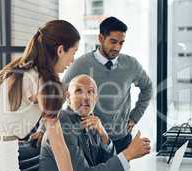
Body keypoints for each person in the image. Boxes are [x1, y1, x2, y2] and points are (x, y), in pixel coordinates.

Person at [0, 20, 96, 171]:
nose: (72, 61)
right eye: (73, 53)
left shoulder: (13, 69)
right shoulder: (46, 83)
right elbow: (58, 145)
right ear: (60, 50)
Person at [31, 75, 151, 171]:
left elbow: (103, 166)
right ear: (68, 97)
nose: (86, 97)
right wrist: (128, 154)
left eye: (91, 92)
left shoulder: (90, 121)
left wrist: (103, 135)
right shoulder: (62, 125)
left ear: (96, 98)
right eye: (78, 91)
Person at [62, 17, 153, 153]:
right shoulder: (80, 65)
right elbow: (61, 95)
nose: (117, 47)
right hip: (92, 139)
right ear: (100, 38)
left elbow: (148, 88)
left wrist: (134, 117)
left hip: (122, 139)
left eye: (121, 43)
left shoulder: (131, 64)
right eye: (113, 42)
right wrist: (45, 129)